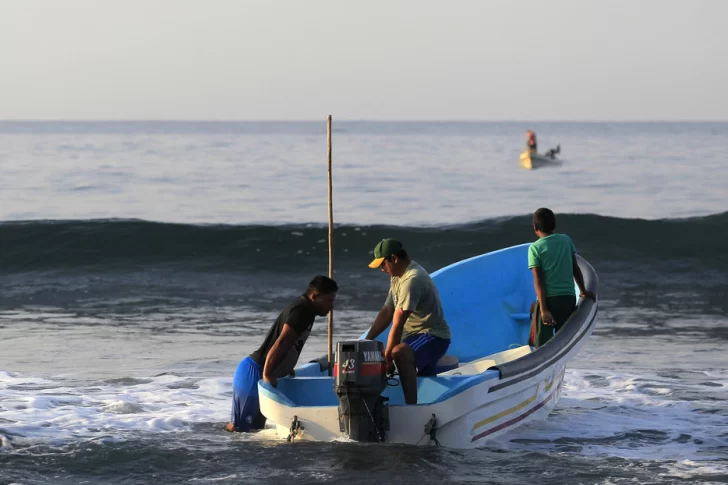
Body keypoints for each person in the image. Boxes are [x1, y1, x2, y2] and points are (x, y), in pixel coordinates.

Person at [224, 275, 338, 432]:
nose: (331, 306)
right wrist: (267, 373)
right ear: (314, 296)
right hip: (255, 373)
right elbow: (282, 342)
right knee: (238, 432)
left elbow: (290, 345)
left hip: (261, 372)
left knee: (253, 431)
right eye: (329, 300)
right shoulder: (302, 311)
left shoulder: (307, 310)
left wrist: (286, 367)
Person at [364, 238, 451, 405]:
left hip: (432, 336)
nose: (382, 270)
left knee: (399, 353)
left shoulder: (412, 280)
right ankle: (429, 404)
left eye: (383, 264)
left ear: (394, 259)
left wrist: (388, 358)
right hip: (412, 337)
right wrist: (367, 340)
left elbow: (397, 323)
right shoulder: (397, 275)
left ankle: (411, 407)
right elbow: (387, 311)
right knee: (423, 378)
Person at [528, 208, 595, 348]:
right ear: (554, 224)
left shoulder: (535, 248)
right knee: (561, 337)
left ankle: (541, 365)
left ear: (535, 228)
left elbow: (538, 281)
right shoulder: (566, 240)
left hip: (549, 301)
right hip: (567, 298)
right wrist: (582, 291)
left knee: (541, 342)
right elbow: (575, 268)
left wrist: (544, 309)